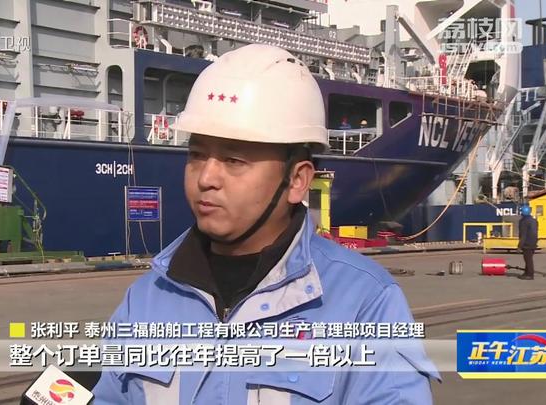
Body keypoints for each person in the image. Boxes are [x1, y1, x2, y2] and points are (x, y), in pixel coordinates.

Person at [92, 44, 439, 404]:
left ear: (297, 180)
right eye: (196, 155)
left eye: (234, 160)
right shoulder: (147, 297)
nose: (206, 178)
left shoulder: (365, 302)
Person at [518, 204, 538, 280]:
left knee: (528, 260)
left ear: (523, 212)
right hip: (533, 242)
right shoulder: (534, 221)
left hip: (527, 243)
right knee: (528, 258)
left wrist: (519, 246)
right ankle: (526, 272)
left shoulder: (523, 222)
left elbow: (523, 235)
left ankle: (530, 274)